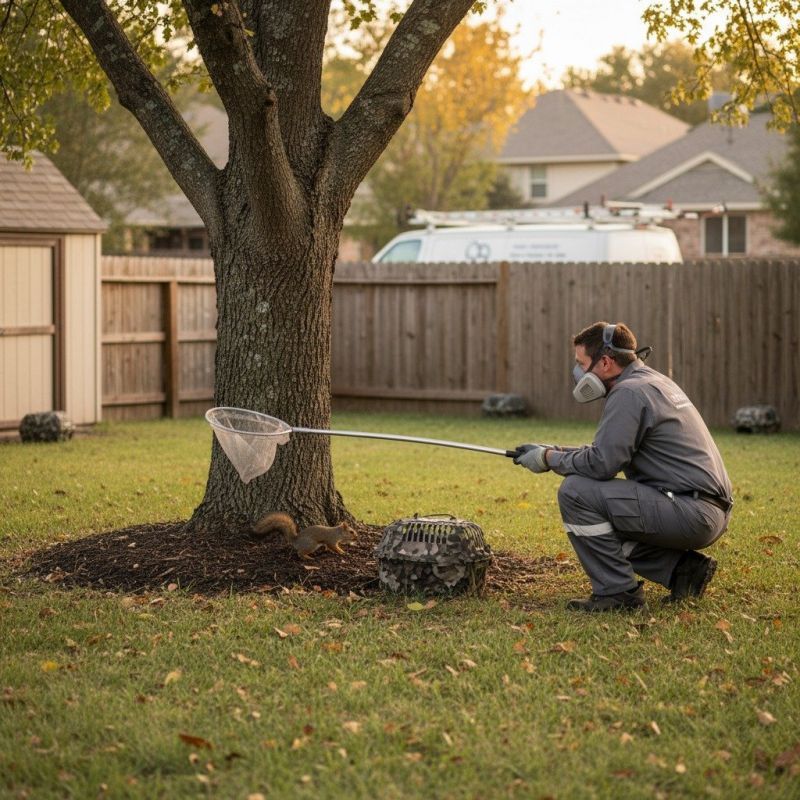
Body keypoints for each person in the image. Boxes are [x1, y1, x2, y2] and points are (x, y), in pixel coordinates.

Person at [514, 321, 733, 612]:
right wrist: (553, 451)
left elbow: (602, 464)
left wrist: (548, 459)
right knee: (600, 513)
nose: (578, 372)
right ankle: (683, 571)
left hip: (689, 512)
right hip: (705, 509)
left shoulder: (628, 393)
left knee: (576, 492)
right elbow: (608, 453)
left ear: (605, 362)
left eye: (581, 363)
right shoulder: (652, 381)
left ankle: (618, 595)